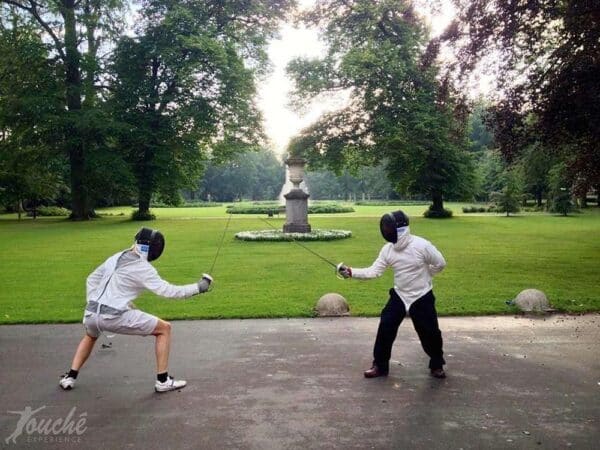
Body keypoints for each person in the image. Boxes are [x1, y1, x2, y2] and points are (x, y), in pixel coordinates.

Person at [59, 227, 213, 393]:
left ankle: (70, 377)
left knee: (91, 335)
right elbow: (168, 291)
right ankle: (163, 381)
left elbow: (91, 279)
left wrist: (95, 302)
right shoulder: (142, 267)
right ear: (151, 248)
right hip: (113, 317)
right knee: (164, 329)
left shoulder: (115, 257)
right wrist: (199, 287)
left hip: (91, 314)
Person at [337, 210, 447, 379]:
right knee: (386, 326)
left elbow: (440, 263)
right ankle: (380, 366)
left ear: (400, 228)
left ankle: (437, 364)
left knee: (430, 332)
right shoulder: (388, 250)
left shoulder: (422, 245)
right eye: (385, 228)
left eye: (389, 227)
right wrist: (351, 272)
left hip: (422, 295)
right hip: (400, 295)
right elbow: (374, 271)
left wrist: (427, 275)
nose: (386, 231)